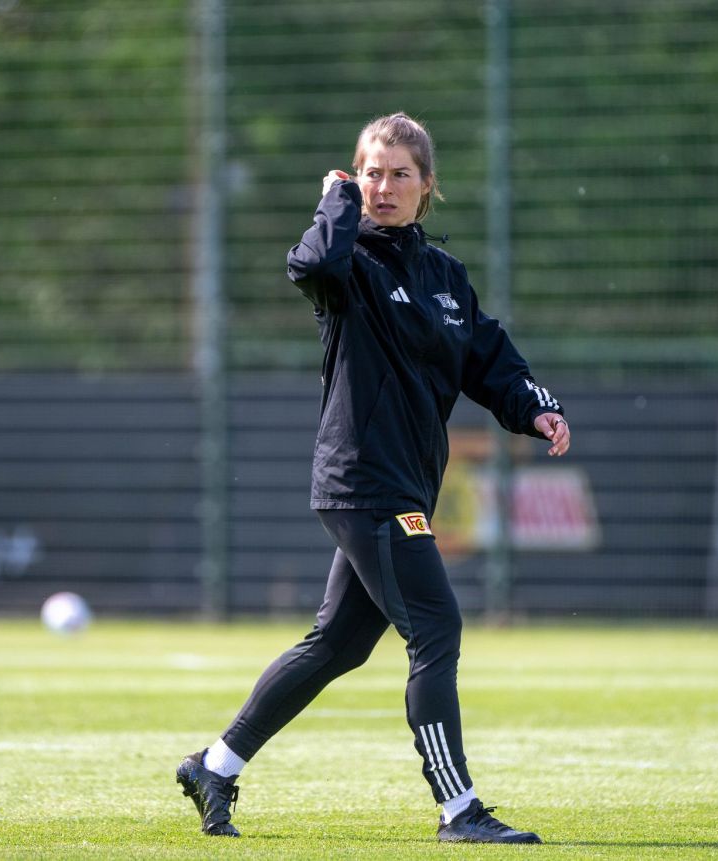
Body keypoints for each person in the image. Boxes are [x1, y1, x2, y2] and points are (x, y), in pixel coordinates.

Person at [176, 112, 570, 844]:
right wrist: (335, 201)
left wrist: (536, 409)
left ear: (428, 188)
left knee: (339, 644)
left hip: (404, 484)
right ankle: (459, 810)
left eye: (399, 175)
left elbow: (492, 361)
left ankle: (214, 766)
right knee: (436, 628)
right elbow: (311, 266)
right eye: (370, 172)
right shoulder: (347, 260)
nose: (382, 187)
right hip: (366, 481)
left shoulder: (446, 278)